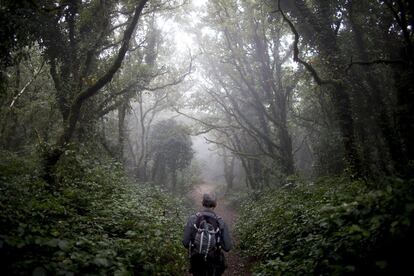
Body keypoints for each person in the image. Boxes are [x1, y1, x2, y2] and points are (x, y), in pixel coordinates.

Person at [183, 193, 232, 276]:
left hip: (196, 261)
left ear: (202, 203)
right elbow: (227, 247)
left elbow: (185, 242)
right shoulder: (220, 221)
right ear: (215, 204)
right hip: (214, 262)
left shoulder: (193, 219)